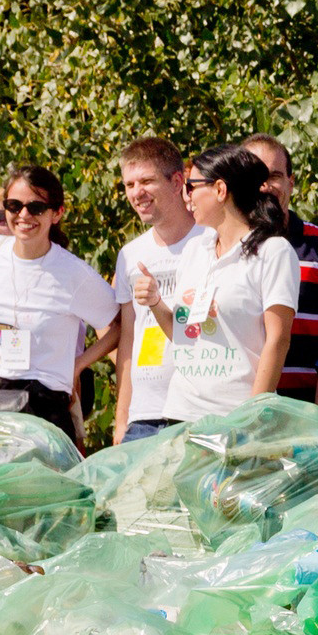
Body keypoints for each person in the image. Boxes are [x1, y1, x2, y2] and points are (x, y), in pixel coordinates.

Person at [126, 144, 296, 422]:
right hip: (180, 414)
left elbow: (278, 340)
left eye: (192, 187)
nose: (186, 197)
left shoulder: (273, 251)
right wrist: (156, 302)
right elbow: (184, 336)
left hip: (235, 417)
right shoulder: (195, 250)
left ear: (220, 190)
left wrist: (251, 418)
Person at [0, 164, 121, 436]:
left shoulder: (74, 273)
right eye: (14, 206)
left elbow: (118, 326)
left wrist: (78, 364)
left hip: (41, 403)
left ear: (57, 214)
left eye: (36, 207)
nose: (23, 215)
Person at [109, 139, 207, 444]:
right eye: (129, 184)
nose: (137, 193)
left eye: (147, 181)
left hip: (198, 414)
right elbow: (129, 338)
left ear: (177, 182)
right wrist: (121, 419)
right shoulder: (129, 254)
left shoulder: (211, 242)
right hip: (143, 418)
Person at [243, 134, 318, 404]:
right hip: (236, 404)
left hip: (309, 407)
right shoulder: (220, 249)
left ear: (291, 182)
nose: (265, 186)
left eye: (275, 176)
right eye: (254, 177)